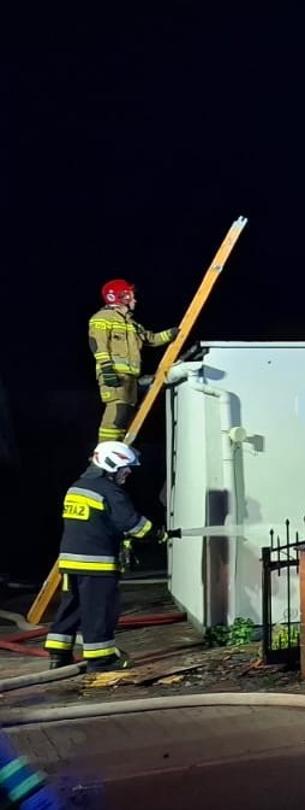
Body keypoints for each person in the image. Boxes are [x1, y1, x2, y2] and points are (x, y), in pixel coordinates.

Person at [46, 442, 176, 671]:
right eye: (125, 467)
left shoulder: (77, 487)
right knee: (99, 611)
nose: (128, 472)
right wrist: (157, 533)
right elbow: (133, 525)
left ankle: (58, 655)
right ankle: (101, 659)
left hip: (69, 562)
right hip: (97, 563)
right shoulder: (110, 491)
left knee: (71, 607)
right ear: (110, 465)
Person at [89, 280, 175, 442]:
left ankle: (117, 450)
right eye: (131, 296)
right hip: (114, 374)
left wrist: (172, 333)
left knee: (125, 416)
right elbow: (98, 345)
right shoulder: (101, 318)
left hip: (131, 377)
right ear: (122, 298)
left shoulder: (132, 324)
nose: (135, 300)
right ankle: (104, 450)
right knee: (116, 412)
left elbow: (151, 339)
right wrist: (107, 369)